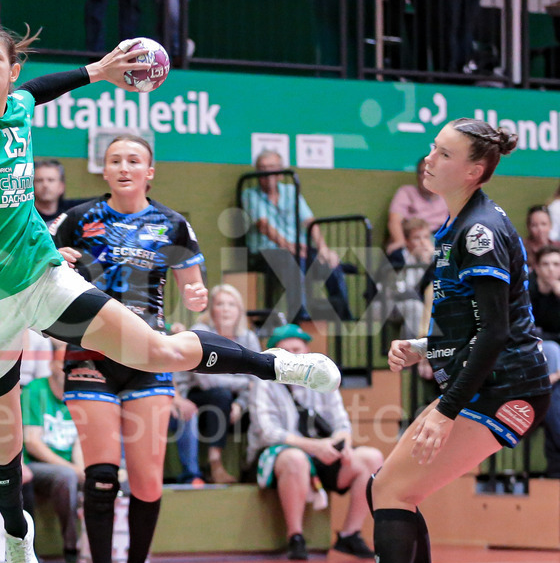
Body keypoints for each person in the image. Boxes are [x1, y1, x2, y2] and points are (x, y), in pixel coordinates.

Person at [0, 23, 340, 563]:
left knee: (157, 347)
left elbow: (44, 88)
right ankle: (17, 530)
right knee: (1, 443)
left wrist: (98, 72)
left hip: (40, 277)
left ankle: (278, 365)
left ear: (11, 72)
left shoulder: (18, 106)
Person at [317, 119, 551, 563]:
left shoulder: (479, 231)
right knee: (389, 488)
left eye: (442, 153)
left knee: (393, 490)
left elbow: (497, 333)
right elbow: (483, 321)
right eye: (431, 148)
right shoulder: (456, 225)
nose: (429, 158)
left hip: (504, 391)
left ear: (473, 170)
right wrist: (428, 346)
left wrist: (445, 410)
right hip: (480, 383)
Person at [52, 133, 234, 563]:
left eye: (135, 160)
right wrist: (56, 264)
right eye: (116, 160)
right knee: (103, 474)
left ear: (150, 171)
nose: (125, 167)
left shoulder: (173, 224)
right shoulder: (75, 219)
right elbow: (38, 274)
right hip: (89, 349)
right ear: (104, 170)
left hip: (149, 353)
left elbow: (193, 286)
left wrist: (196, 298)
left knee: (149, 480)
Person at [248, 323, 383, 561]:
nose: (296, 355)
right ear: (277, 357)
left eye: (299, 349)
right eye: (288, 351)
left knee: (372, 458)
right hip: (278, 455)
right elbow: (267, 432)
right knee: (296, 459)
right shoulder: (263, 382)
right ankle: (295, 537)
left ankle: (349, 535)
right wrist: (313, 446)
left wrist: (344, 443)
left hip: (321, 452)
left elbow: (342, 423)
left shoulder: (323, 377)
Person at [241, 150, 352, 322]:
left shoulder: (291, 191)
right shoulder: (249, 194)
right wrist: (291, 247)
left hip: (299, 248)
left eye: (272, 168)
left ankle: (343, 314)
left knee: (331, 263)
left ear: (281, 172)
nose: (267, 173)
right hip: (268, 251)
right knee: (293, 263)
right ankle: (304, 317)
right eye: (262, 169)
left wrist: (323, 249)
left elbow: (309, 221)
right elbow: (263, 226)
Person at [182, 284, 260, 484]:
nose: (226, 309)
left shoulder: (248, 338)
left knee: (263, 405)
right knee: (220, 395)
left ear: (239, 311)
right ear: (211, 310)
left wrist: (240, 404)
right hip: (195, 394)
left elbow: (257, 380)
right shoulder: (201, 332)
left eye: (231, 304)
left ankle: (252, 466)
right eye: (220, 304)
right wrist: (244, 384)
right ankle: (214, 463)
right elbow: (207, 379)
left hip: (233, 400)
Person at [21, 340, 84, 563]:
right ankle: (71, 548)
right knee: (66, 477)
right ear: (51, 365)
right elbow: (33, 443)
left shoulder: (78, 395)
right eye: (63, 364)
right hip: (36, 466)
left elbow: (78, 443)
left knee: (105, 475)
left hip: (67, 466)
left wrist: (84, 470)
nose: (68, 370)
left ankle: (98, 548)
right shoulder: (34, 391)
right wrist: (73, 470)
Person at [369, 217, 434, 339]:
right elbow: (400, 291)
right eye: (416, 238)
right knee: (414, 307)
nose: (422, 242)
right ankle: (414, 351)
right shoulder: (397, 256)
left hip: (410, 302)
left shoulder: (430, 258)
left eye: (426, 237)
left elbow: (429, 288)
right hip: (383, 304)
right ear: (407, 241)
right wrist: (422, 266)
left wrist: (429, 264)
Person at [528, 245, 560, 478]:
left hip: (553, 372)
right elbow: (524, 334)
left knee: (554, 395)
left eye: (557, 265)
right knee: (549, 347)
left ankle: (554, 469)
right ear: (537, 268)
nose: (551, 270)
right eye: (546, 264)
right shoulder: (526, 290)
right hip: (530, 359)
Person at [385, 158, 449, 254]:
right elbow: (394, 221)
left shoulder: (447, 195)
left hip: (439, 236)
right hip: (414, 235)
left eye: (431, 172)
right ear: (417, 176)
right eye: (423, 172)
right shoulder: (406, 192)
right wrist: (400, 241)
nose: (426, 176)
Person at [33, 159, 82, 223]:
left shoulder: (73, 212)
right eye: (39, 180)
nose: (45, 185)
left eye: (51, 180)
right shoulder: (26, 216)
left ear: (61, 186)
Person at [524, 206, 560, 272]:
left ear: (550, 225)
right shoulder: (522, 249)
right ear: (528, 227)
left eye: (543, 224)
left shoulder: (557, 247)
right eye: (534, 225)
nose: (540, 229)